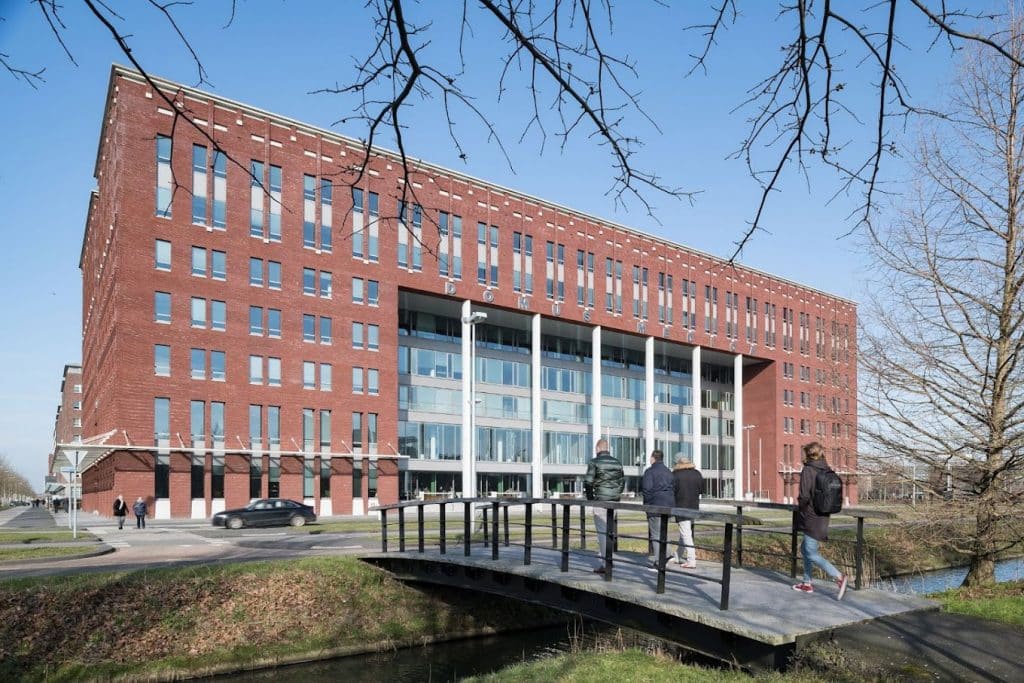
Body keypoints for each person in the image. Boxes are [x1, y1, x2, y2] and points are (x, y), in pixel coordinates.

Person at [792, 441, 848, 600]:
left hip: (811, 516)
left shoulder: (808, 470)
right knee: (805, 550)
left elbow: (804, 496)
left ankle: (839, 577)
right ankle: (807, 583)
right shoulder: (827, 469)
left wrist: (801, 509)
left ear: (808, 454)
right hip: (824, 515)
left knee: (810, 552)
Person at [583, 438, 624, 574]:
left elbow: (588, 482)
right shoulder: (617, 463)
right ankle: (608, 560)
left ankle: (607, 563)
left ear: (598, 448)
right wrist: (616, 494)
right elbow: (622, 482)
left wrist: (590, 499)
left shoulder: (594, 462)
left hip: (600, 500)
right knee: (610, 531)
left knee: (602, 532)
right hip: (614, 502)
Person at [640, 449, 674, 568]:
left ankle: (660, 561)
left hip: (655, 505)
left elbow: (646, 490)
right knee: (663, 531)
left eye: (650, 457)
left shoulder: (650, 472)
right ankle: (667, 554)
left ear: (653, 458)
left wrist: (647, 505)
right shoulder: (668, 471)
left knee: (655, 534)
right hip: (668, 506)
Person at [671, 455, 703, 568]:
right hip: (694, 507)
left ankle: (691, 560)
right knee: (685, 532)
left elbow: (672, 491)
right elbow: (701, 490)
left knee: (685, 533)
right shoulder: (697, 473)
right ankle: (678, 555)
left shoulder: (675, 474)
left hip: (681, 507)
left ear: (678, 463)